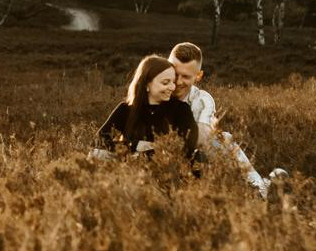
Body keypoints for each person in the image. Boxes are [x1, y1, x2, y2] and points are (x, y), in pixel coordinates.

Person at [167, 41, 286, 196]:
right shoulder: (156, 90)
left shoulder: (202, 99)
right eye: (175, 73)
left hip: (196, 160)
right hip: (159, 157)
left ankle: (257, 188)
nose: (177, 81)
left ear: (198, 76)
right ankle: (259, 186)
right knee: (222, 138)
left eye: (185, 76)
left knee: (223, 138)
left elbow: (202, 138)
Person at [93, 54, 201, 169]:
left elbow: (187, 146)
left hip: (169, 169)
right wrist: (136, 145)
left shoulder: (181, 109)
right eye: (165, 82)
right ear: (146, 84)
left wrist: (148, 154)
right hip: (132, 168)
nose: (172, 87)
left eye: (173, 82)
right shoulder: (126, 109)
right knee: (96, 154)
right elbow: (98, 140)